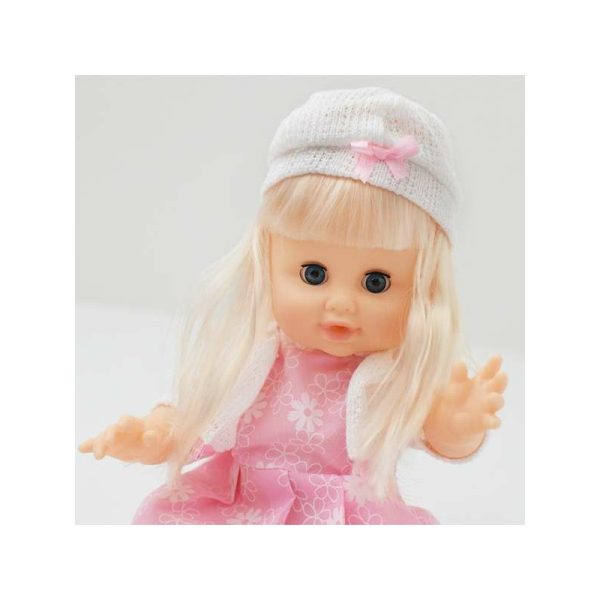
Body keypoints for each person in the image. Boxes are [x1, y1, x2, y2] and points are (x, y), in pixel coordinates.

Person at [79, 87, 508, 524]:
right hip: (242, 501)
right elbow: (194, 414)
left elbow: (436, 435)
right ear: (267, 259)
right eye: (313, 274)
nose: (341, 303)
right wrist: (153, 435)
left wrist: (454, 426)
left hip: (346, 515)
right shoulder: (253, 355)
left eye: (375, 283)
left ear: (423, 291)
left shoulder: (392, 378)